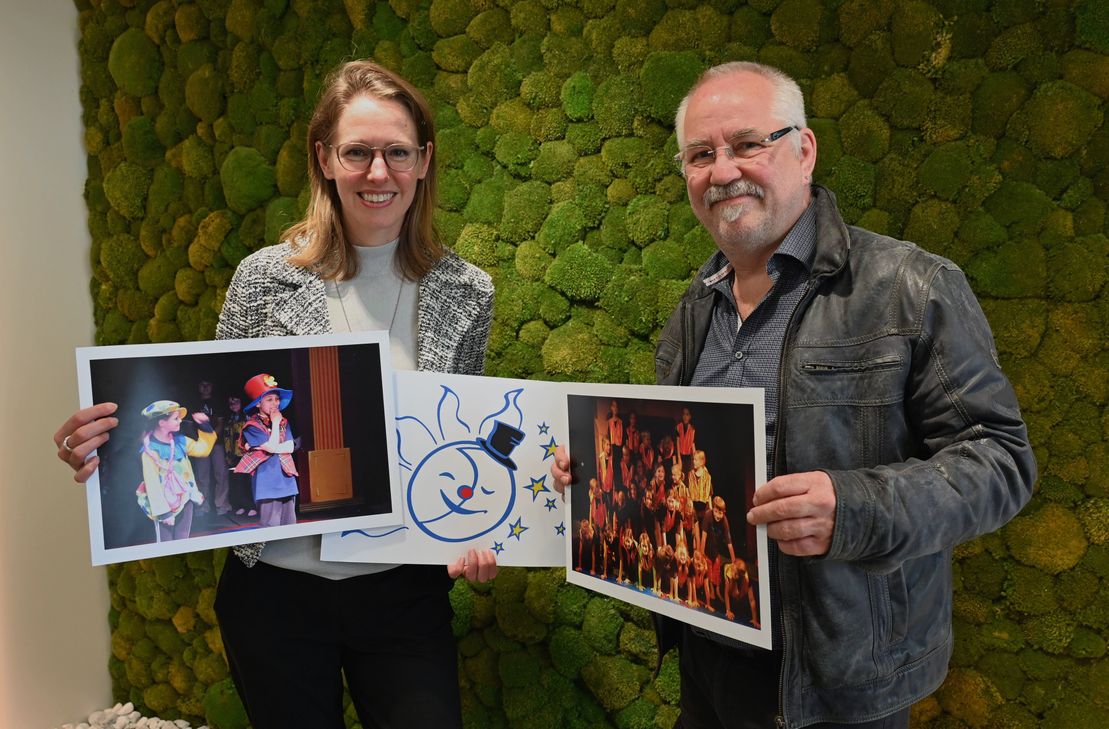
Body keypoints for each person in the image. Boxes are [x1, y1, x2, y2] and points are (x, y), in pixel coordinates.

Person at [553, 61, 1035, 728]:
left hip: (836, 685)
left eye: (747, 143)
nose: (722, 170)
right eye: (700, 154)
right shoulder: (693, 310)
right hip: (705, 656)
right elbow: (687, 474)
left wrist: (856, 506)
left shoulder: (909, 286)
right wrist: (603, 477)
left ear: (803, 150)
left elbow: (1001, 460)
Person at [55, 60, 497, 729]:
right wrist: (109, 451)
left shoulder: (468, 292)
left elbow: (460, 440)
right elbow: (216, 417)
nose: (378, 173)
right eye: (357, 152)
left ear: (424, 159)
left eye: (397, 152)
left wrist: (479, 526)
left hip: (404, 592)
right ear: (324, 158)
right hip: (274, 594)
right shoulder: (263, 278)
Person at [136, 401, 215, 542]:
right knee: (166, 544)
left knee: (183, 540)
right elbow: (152, 483)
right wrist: (164, 513)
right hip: (163, 504)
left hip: (185, 499)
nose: (180, 420)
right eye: (175, 418)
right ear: (161, 423)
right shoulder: (150, 451)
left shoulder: (181, 441)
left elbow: (203, 449)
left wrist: (204, 426)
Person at [233, 373, 300, 528]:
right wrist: (275, 425)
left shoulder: (284, 422)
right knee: (271, 526)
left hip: (286, 479)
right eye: (269, 400)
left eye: (277, 399)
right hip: (267, 482)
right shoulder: (252, 426)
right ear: (258, 404)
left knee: (290, 526)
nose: (275, 403)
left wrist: (271, 445)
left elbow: (289, 447)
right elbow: (270, 447)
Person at [189, 379, 231, 516]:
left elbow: (220, 422)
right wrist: (201, 440)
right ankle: (202, 506)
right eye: (203, 384)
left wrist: (211, 438)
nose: (206, 387)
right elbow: (190, 425)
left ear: (212, 386)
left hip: (216, 443)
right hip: (200, 444)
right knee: (202, 476)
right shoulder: (194, 403)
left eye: (208, 384)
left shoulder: (217, 402)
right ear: (198, 387)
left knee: (221, 474)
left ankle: (222, 505)